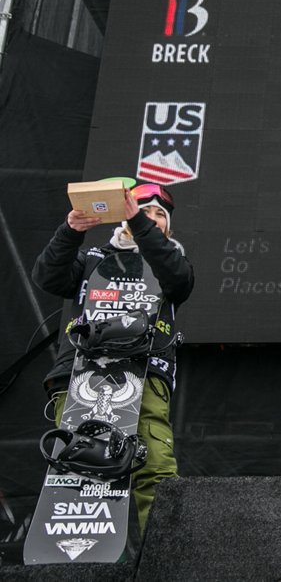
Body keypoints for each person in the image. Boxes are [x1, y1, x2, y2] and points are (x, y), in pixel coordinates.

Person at [32, 182, 195, 530]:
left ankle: (168, 557)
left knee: (155, 468)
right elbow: (47, 276)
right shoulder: (93, 259)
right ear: (120, 218)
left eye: (158, 215)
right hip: (79, 375)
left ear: (168, 227)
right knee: (79, 473)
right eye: (142, 210)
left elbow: (179, 279)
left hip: (145, 373)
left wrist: (138, 222)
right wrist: (70, 230)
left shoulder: (172, 263)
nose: (150, 218)